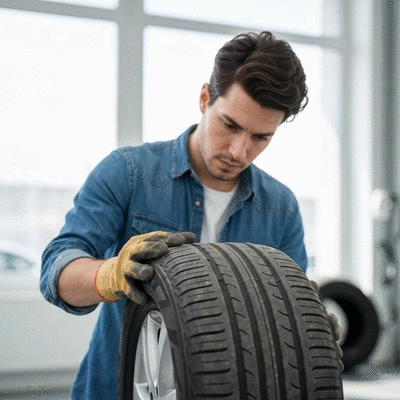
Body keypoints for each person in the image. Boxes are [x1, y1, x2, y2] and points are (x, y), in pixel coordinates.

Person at [41, 31, 333, 399]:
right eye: (230, 125)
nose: (240, 151)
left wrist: (307, 332)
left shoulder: (281, 208)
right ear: (204, 98)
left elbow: (284, 315)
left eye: (261, 137)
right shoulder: (128, 174)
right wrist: (110, 273)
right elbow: (57, 273)